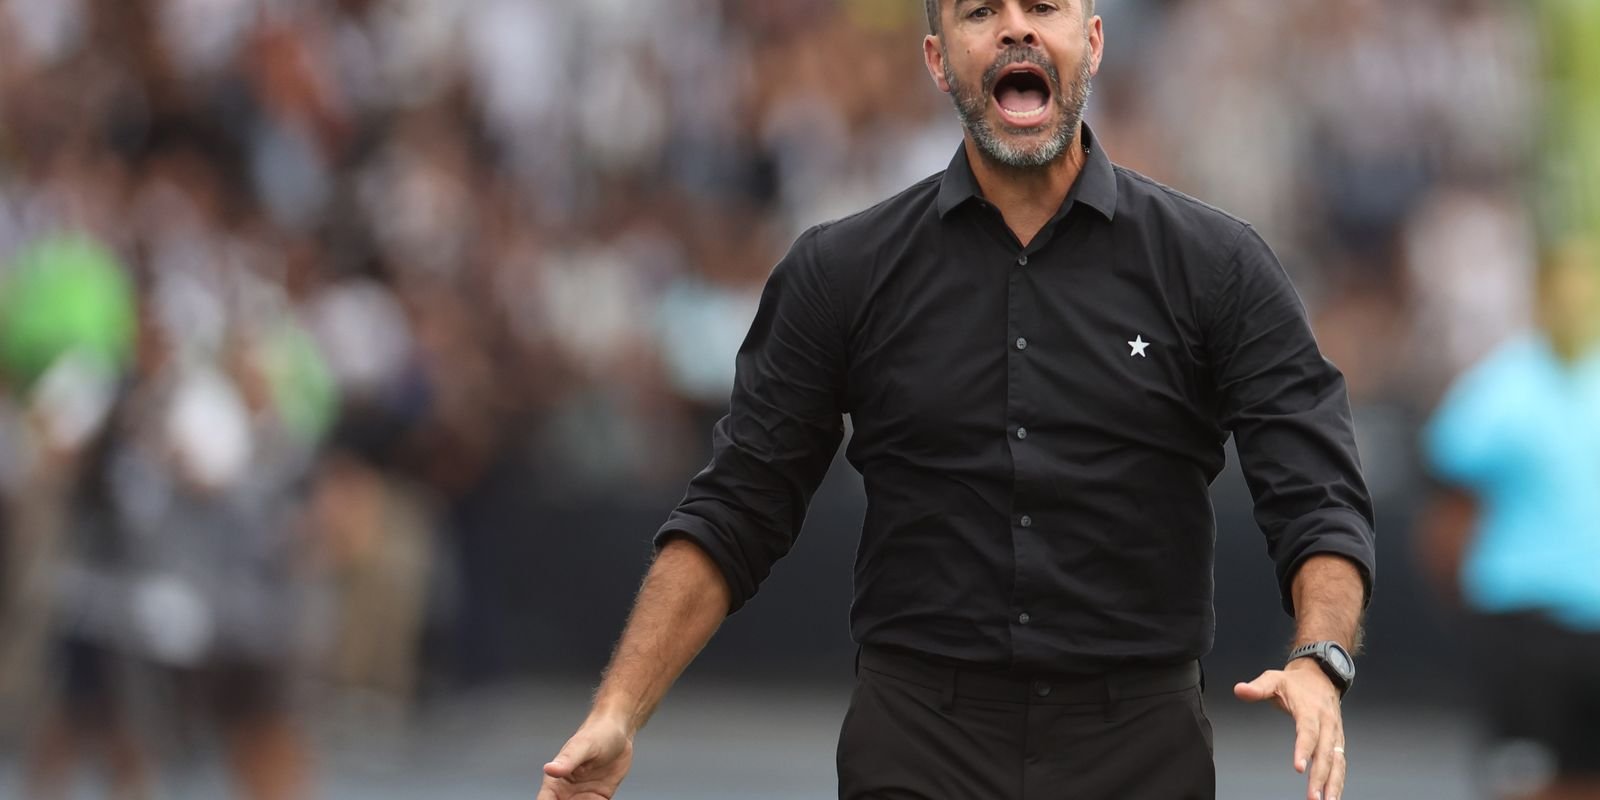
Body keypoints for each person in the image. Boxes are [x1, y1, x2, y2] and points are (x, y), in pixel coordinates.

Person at [538, 2, 1375, 799]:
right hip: (917, 741)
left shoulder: (1216, 266)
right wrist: (618, 712)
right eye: (979, 12)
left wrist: (1320, 657)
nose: (1014, 27)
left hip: (1139, 747)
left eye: (1043, 8)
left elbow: (1318, 495)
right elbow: (737, 507)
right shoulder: (843, 272)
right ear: (938, 60)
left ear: (1092, 41)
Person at [1419, 240, 1600, 800]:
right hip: (1527, 627)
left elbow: (1445, 518)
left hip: (1525, 622)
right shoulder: (1501, 386)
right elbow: (1451, 511)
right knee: (1531, 778)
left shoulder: (1497, 384)